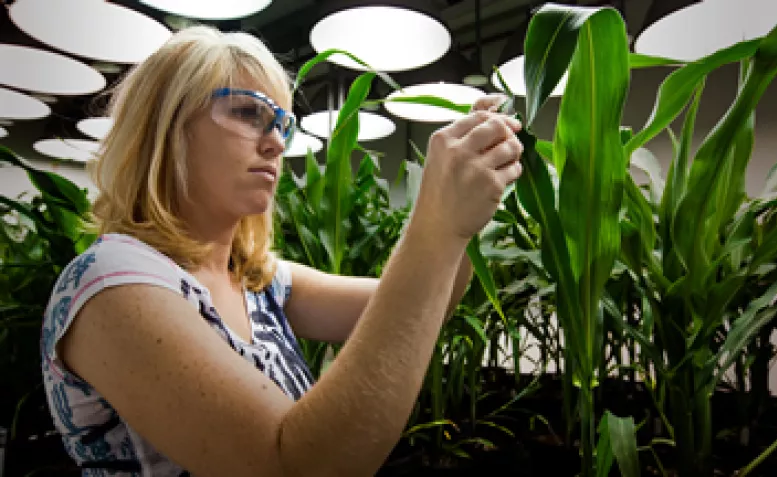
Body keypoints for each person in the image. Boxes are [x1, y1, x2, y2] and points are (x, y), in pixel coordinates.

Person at [40, 25, 523, 477]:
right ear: (164, 126)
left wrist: (464, 215)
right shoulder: (112, 283)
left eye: (280, 123)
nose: (275, 142)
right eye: (248, 112)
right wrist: (433, 225)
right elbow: (291, 463)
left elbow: (424, 306)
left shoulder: (255, 278)